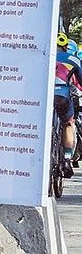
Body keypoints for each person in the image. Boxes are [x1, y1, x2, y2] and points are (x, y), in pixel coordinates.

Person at [55, 32, 82, 177]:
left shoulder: (42, 56)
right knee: (68, 124)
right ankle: (66, 159)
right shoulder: (73, 59)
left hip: (43, 97)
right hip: (63, 96)